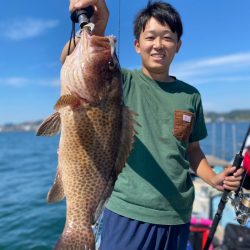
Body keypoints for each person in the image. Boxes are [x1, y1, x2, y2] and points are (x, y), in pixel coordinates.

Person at [63, 1, 244, 249]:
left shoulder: (191, 96)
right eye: (150, 37)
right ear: (137, 45)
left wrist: (214, 178)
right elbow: (78, 59)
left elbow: (192, 150)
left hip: (178, 215)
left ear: (178, 46)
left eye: (167, 38)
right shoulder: (121, 80)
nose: (158, 45)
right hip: (127, 213)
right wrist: (97, 23)